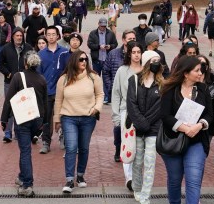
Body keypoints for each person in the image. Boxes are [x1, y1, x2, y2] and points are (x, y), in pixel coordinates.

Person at [159, 56, 214, 204]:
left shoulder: (203, 89)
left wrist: (199, 126)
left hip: (196, 141)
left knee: (193, 179)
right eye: (197, 70)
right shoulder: (170, 89)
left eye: (201, 70)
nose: (201, 73)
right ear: (185, 73)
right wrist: (183, 127)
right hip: (173, 141)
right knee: (175, 179)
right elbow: (165, 115)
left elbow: (210, 115)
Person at [54, 49, 104, 193]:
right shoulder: (63, 79)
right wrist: (56, 119)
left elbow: (100, 94)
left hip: (88, 118)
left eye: (85, 59)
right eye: (81, 59)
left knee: (84, 147)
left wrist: (97, 108)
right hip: (68, 117)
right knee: (71, 147)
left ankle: (80, 175)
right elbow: (58, 100)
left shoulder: (93, 77)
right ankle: (69, 179)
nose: (84, 62)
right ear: (74, 61)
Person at [3, 51, 47, 197]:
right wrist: (44, 122)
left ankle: (27, 184)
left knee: (25, 151)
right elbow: (46, 103)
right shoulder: (42, 79)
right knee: (26, 150)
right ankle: (22, 177)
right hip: (37, 119)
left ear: (25, 64)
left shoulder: (18, 77)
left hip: (23, 118)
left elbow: (9, 100)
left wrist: (4, 120)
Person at [128, 50, 164, 204]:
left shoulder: (163, 83)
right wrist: (141, 122)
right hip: (137, 127)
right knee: (137, 161)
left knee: (150, 162)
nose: (156, 63)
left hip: (154, 129)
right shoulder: (134, 80)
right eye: (153, 60)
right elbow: (131, 104)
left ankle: (145, 197)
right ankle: (137, 187)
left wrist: (148, 122)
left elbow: (160, 107)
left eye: (158, 60)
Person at [111, 36, 142, 174]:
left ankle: (137, 176)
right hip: (126, 112)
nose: (136, 55)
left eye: (138, 52)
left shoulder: (146, 70)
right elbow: (116, 94)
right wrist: (116, 116)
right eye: (133, 52)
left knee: (141, 145)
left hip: (144, 113)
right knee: (128, 144)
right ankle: (129, 177)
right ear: (129, 54)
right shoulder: (122, 70)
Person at [38, 26, 70, 154]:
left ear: (58, 36)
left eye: (53, 34)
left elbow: (68, 71)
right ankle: (46, 142)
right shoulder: (40, 54)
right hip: (46, 91)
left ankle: (63, 138)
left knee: (63, 116)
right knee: (46, 118)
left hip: (61, 91)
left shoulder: (64, 52)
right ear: (45, 36)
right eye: (49, 34)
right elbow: (38, 74)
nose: (51, 36)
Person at [0, 28, 30, 143]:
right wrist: (8, 73)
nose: (19, 37)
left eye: (21, 35)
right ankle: (7, 133)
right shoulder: (6, 48)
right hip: (9, 82)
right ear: (13, 37)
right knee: (9, 105)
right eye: (17, 35)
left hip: (24, 82)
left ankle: (19, 131)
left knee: (22, 106)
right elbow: (0, 63)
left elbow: (33, 62)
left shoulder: (28, 48)